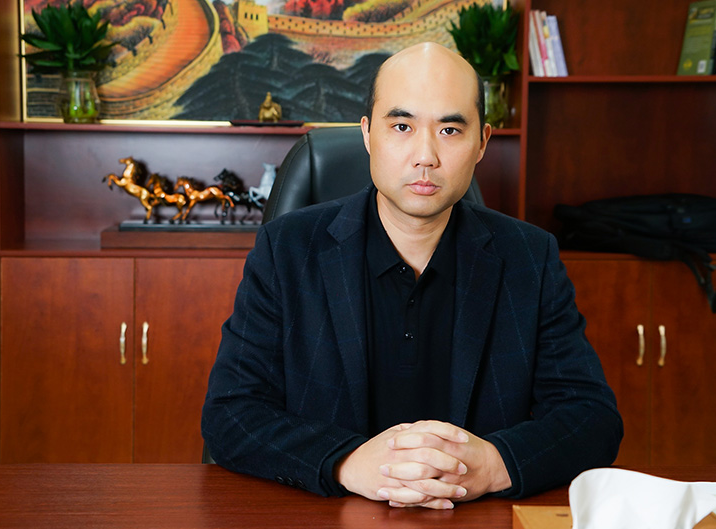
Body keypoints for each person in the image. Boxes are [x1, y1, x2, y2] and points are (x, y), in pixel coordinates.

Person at [202, 42, 622, 510]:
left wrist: (493, 464)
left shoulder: (529, 257)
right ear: (368, 134)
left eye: (449, 130)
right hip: (328, 515)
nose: (425, 156)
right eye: (402, 126)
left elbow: (592, 418)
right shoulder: (288, 249)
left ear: (482, 143)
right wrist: (346, 462)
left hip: (472, 516)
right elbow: (230, 414)